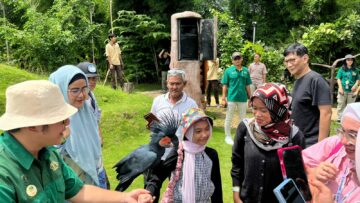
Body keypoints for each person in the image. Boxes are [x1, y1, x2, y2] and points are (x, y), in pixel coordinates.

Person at [0, 80, 153, 202]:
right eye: (60, 119)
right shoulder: (4, 173)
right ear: (34, 126)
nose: (68, 122)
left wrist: (124, 198)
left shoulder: (48, 154)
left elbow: (79, 191)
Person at [231, 82, 305, 203]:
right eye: (254, 108)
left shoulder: (294, 136)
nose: (257, 115)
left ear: (278, 110)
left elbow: (299, 177)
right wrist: (236, 193)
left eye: (264, 110)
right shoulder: (246, 128)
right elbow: (237, 163)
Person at [49, 65, 107, 189]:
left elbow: (95, 149)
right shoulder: (49, 121)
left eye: (85, 89)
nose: (82, 95)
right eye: (75, 90)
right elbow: (47, 160)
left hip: (95, 178)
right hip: (70, 187)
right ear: (60, 90)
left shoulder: (86, 111)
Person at [148, 108, 223, 203]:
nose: (204, 135)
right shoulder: (179, 152)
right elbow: (157, 176)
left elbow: (217, 188)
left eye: (207, 129)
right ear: (188, 132)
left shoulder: (211, 155)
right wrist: (149, 193)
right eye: (198, 131)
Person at [145, 68, 198, 202]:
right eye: (171, 83)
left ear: (184, 84)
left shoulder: (191, 104)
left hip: (179, 156)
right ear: (167, 83)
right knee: (150, 191)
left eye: (178, 83)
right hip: (157, 154)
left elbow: (194, 132)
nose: (174, 87)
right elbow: (152, 124)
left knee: (178, 193)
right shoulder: (158, 101)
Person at [303, 102, 360, 203]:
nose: (344, 141)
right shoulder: (335, 144)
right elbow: (296, 164)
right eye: (342, 131)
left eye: (353, 135)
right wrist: (313, 172)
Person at [283, 43, 332, 147]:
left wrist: (321, 146)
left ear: (305, 58)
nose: (289, 65)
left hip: (311, 143)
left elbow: (326, 113)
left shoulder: (316, 80)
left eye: (292, 60)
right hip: (298, 140)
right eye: (287, 61)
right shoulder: (297, 81)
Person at [221, 52, 252, 145]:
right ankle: (227, 136)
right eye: (235, 58)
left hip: (243, 98)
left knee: (243, 119)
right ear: (232, 60)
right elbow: (225, 85)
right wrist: (223, 97)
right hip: (231, 98)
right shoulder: (228, 71)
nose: (237, 60)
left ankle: (241, 136)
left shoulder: (246, 70)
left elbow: (247, 85)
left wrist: (250, 97)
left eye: (239, 58)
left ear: (242, 59)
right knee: (229, 118)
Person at [77, 62, 104, 146]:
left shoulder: (91, 95)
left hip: (94, 142)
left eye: (94, 79)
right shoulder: (77, 100)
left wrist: (100, 137)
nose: (92, 82)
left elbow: (95, 119)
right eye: (88, 79)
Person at [336, 54, 359, 122]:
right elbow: (338, 79)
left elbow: (358, 80)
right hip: (343, 90)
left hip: (352, 91)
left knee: (350, 106)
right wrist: (340, 88)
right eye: (348, 60)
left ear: (353, 61)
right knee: (341, 104)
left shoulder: (356, 70)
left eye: (351, 60)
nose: (350, 61)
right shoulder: (342, 69)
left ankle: (348, 119)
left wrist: (355, 85)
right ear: (345, 61)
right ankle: (339, 118)